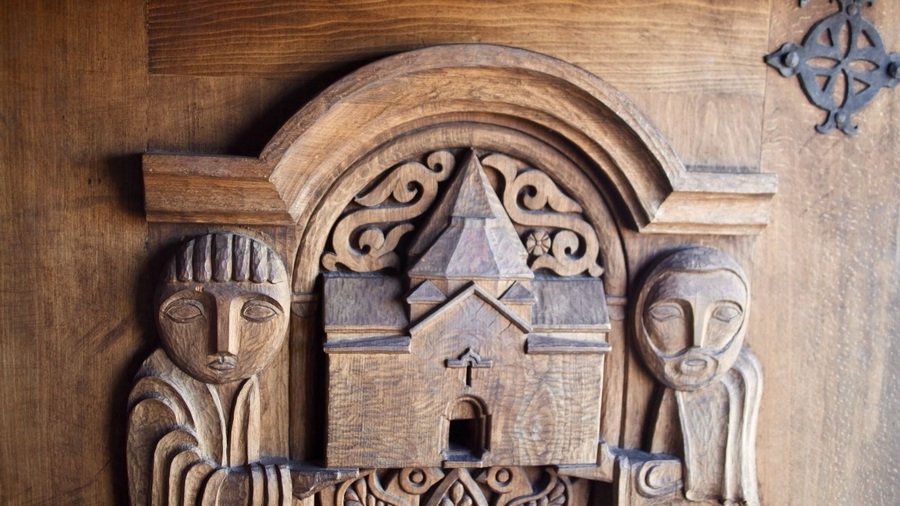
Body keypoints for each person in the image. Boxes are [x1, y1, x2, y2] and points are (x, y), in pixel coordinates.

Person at [128, 233, 352, 505]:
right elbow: (178, 483)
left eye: (256, 313)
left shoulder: (244, 384)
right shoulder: (156, 393)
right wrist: (286, 484)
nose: (225, 345)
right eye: (189, 312)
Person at [632, 246, 761, 506]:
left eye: (723, 315)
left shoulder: (734, 382)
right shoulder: (672, 386)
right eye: (668, 315)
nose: (696, 342)